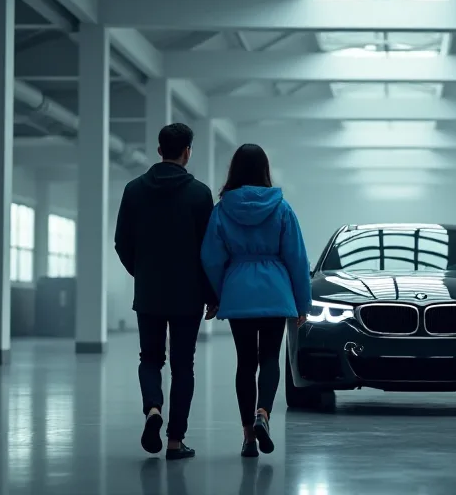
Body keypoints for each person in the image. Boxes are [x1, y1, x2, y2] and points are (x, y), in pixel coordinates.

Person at [114, 123, 218, 460]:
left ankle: (153, 410)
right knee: (183, 366)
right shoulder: (200, 194)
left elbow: (121, 242)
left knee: (150, 359)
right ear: (187, 151)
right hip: (188, 295)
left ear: (159, 150)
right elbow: (210, 250)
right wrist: (211, 293)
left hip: (149, 292)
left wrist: (141, 271)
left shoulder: (133, 190)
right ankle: (175, 441)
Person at [201, 143, 311, 458]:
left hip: (239, 290)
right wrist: (302, 303)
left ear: (234, 170)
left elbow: (210, 257)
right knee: (269, 360)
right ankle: (263, 413)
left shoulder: (222, 209)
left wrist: (219, 294)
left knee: (245, 364)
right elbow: (297, 258)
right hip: (276, 291)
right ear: (265, 169)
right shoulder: (282, 208)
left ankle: (248, 437)